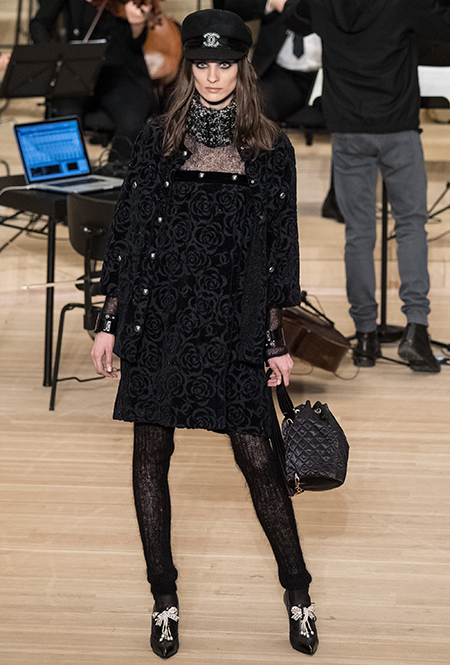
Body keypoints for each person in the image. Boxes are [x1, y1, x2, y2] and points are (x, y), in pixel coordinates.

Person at [91, 8, 318, 659]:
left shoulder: (270, 149)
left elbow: (278, 250)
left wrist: (275, 338)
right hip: (160, 317)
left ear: (242, 68)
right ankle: (163, 599)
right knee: (150, 456)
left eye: (224, 64)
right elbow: (130, 232)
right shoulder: (158, 137)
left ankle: (298, 591)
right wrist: (110, 322)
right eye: (202, 64)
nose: (213, 75)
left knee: (261, 461)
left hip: (233, 322)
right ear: (189, 66)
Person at [286, 0, 450, 372]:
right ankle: (416, 330)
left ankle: (365, 337)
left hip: (348, 130)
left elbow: (294, 16)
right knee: (411, 226)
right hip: (397, 129)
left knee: (358, 233)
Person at [30, 0, 158, 161]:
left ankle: (116, 169)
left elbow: (134, 45)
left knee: (133, 120)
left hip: (117, 73)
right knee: (66, 117)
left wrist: (137, 26)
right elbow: (39, 24)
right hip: (76, 72)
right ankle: (70, 169)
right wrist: (54, 55)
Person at [213, 0, 321, 124]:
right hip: (283, 73)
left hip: (330, 74)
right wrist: (270, 2)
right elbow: (229, 6)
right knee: (247, 108)